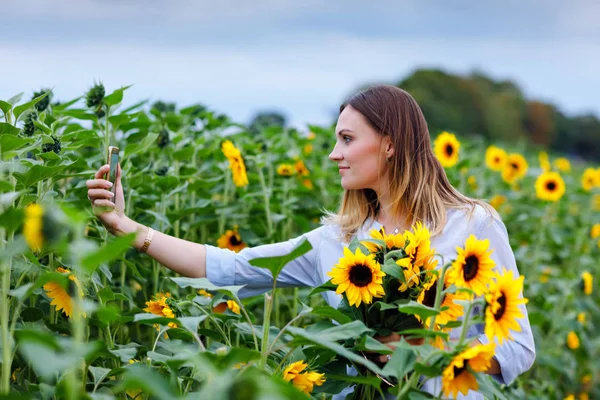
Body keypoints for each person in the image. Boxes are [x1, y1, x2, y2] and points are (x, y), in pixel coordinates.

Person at [87, 85, 535, 399]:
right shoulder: (337, 239)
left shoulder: (472, 226)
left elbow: (518, 349)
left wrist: (428, 353)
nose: (333, 153)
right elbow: (228, 268)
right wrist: (124, 226)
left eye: (346, 139)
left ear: (390, 145)